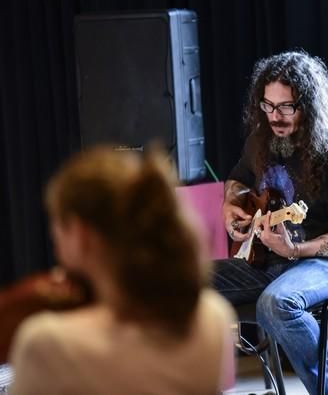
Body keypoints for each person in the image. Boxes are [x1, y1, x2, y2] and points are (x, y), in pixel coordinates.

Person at [8, 146, 236, 395]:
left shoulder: (47, 344)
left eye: (58, 224)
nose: (54, 237)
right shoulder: (213, 317)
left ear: (81, 234)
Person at [213, 50, 328, 395]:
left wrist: (297, 249)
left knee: (276, 303)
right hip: (269, 261)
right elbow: (238, 178)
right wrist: (230, 204)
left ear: (309, 106)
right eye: (268, 106)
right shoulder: (262, 141)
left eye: (286, 106)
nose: (275, 116)